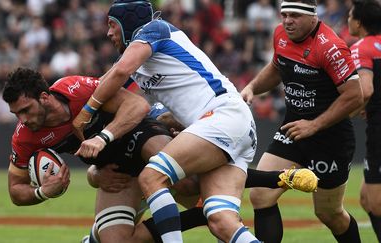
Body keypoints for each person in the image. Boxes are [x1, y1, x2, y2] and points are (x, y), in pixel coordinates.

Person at [2, 68, 316, 243]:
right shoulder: (24, 137)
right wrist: (45, 191)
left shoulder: (76, 89)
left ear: (44, 97)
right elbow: (15, 191)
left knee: (189, 184)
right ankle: (197, 215)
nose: (23, 119)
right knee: (119, 241)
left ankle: (281, 176)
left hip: (140, 135)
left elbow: (136, 106)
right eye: (17, 113)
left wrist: (103, 137)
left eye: (26, 110)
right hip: (118, 171)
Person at [73, 0, 263, 242]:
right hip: (234, 128)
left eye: (112, 25)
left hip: (224, 115)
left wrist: (85, 112)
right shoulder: (140, 67)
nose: (108, 33)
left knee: (152, 177)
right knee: (221, 221)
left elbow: (117, 74)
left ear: (128, 22)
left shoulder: (155, 29)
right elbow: (108, 84)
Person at [240, 0, 363, 242]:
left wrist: (314, 125)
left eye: (294, 15)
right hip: (293, 129)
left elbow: (354, 96)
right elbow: (277, 67)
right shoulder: (281, 35)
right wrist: (253, 87)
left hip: (330, 139)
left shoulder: (331, 48)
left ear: (312, 16)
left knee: (329, 214)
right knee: (261, 195)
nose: (287, 21)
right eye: (284, 14)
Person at [348, 0, 381, 241]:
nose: (348, 20)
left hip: (379, 130)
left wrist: (343, 113)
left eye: (350, 16)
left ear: (359, 22)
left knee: (376, 203)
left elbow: (366, 90)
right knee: (365, 198)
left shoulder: (361, 47)